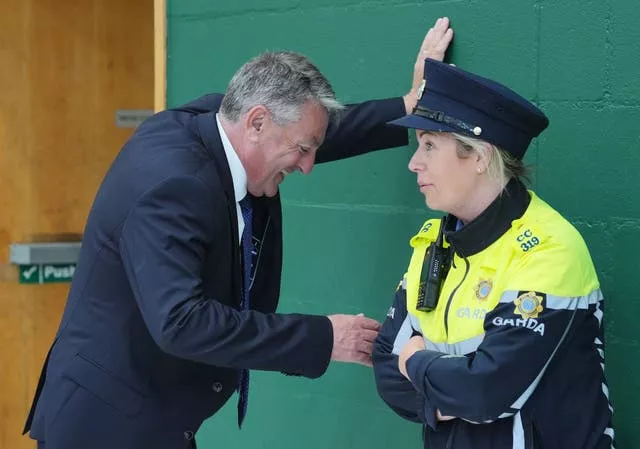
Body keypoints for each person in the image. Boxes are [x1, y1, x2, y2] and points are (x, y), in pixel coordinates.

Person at [22, 18, 455, 449]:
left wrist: (407, 107)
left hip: (152, 419)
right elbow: (181, 322)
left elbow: (312, 130)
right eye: (303, 152)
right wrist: (323, 337)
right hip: (105, 428)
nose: (307, 166)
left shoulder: (224, 121)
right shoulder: (171, 185)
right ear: (257, 122)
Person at [372, 57, 615, 449]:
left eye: (430, 145)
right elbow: (385, 362)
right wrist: (441, 398)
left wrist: (415, 362)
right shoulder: (433, 240)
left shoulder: (550, 249)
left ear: (481, 156)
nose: (414, 163)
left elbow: (485, 392)